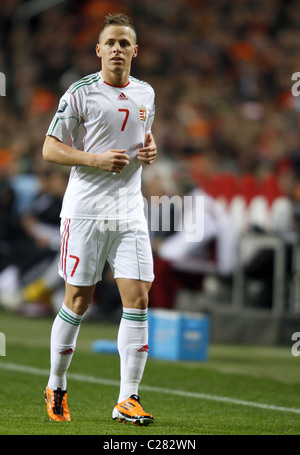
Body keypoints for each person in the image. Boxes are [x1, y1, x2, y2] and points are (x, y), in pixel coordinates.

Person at [42, 13, 157, 425]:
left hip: (129, 212)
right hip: (86, 212)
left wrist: (149, 150)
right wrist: (94, 158)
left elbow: (143, 133)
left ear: (135, 51)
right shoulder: (80, 94)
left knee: (139, 298)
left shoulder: (146, 93)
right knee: (78, 301)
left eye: (125, 43)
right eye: (110, 42)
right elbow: (50, 149)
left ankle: (128, 398)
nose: (117, 50)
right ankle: (56, 384)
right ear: (99, 50)